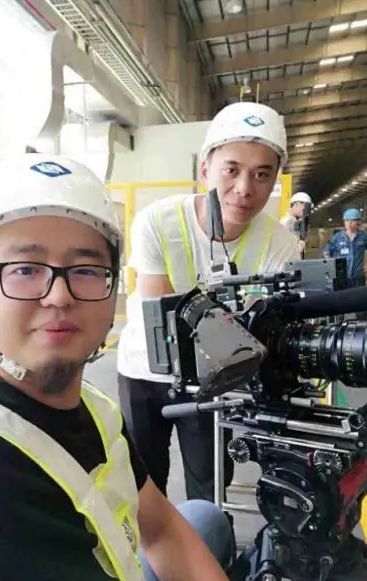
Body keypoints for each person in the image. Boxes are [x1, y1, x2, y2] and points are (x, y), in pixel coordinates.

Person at [0, 155, 256, 581]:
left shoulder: (94, 407)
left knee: (201, 516)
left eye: (87, 270)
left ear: (113, 294)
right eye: (24, 269)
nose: (59, 295)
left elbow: (160, 528)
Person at [117, 102, 300, 503]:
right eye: (231, 169)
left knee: (210, 487)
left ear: (275, 181)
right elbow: (165, 315)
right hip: (144, 372)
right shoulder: (157, 222)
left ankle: (209, 540)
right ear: (205, 171)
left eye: (262, 174)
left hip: (215, 383)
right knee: (143, 488)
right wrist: (243, 329)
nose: (245, 188)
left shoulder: (281, 244)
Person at [324, 207, 367, 320]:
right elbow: (327, 252)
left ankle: (362, 325)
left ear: (358, 222)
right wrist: (332, 268)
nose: (349, 223)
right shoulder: (337, 237)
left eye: (352, 221)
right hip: (341, 278)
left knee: (360, 305)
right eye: (347, 220)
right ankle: (338, 326)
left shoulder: (365, 237)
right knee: (340, 305)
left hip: (358, 276)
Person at [280, 191, 313, 258]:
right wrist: (300, 246)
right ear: (297, 204)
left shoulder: (295, 222)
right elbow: (284, 249)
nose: (306, 212)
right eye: (305, 208)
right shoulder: (287, 222)